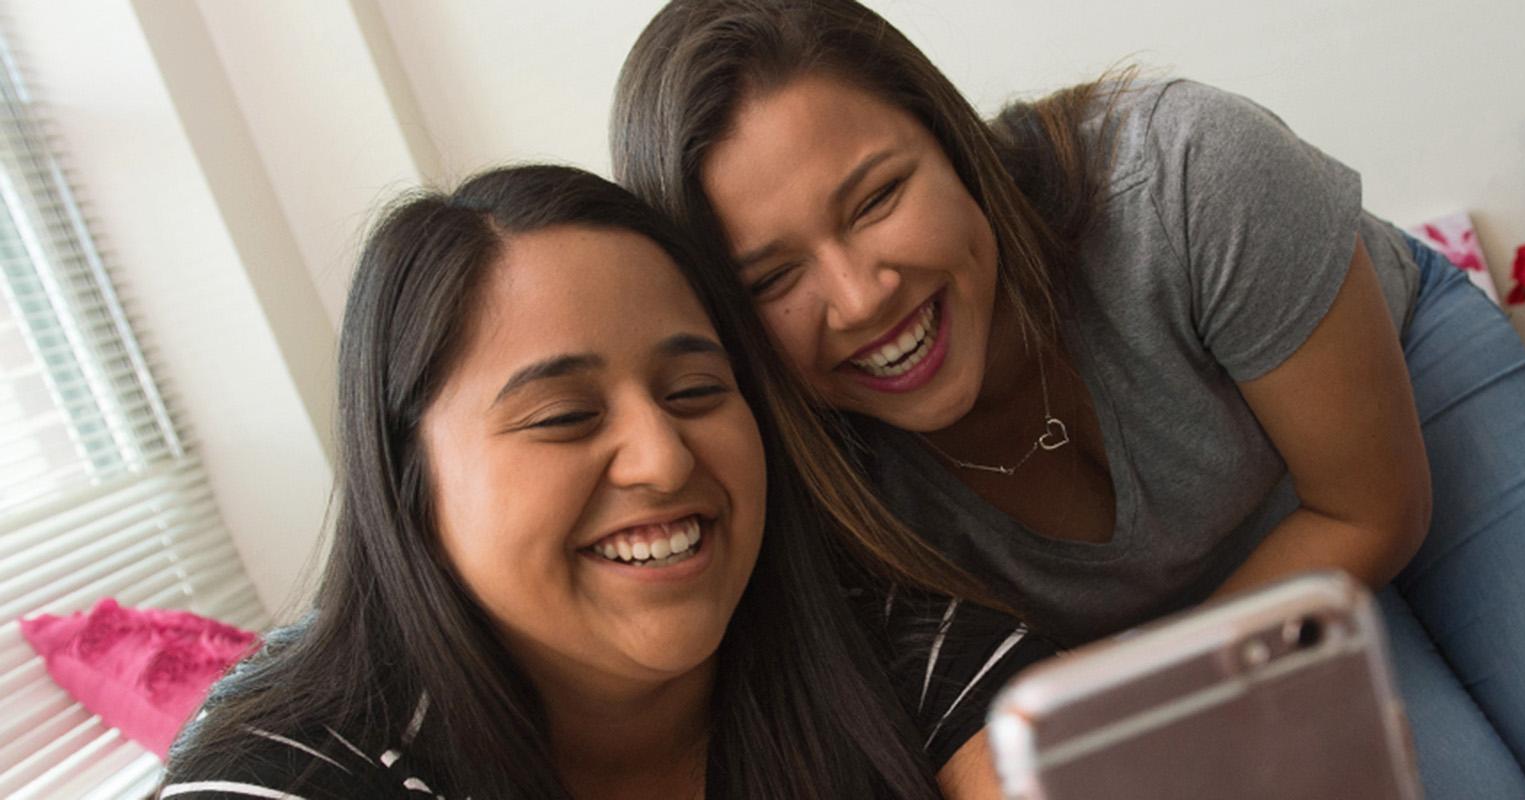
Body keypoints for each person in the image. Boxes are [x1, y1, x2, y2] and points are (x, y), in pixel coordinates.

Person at [610, 2, 1525, 797]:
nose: (859, 296)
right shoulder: (803, 473)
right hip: (1186, 619)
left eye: (878, 197)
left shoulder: (1188, 174)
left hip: (1375, 435)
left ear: (955, 140)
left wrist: (1122, 690)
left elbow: (1369, 513)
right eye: (771, 279)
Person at [161, 165, 1048, 798]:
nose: (663, 459)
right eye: (563, 416)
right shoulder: (285, 767)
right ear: (409, 483)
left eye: (697, 392)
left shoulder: (904, 653)